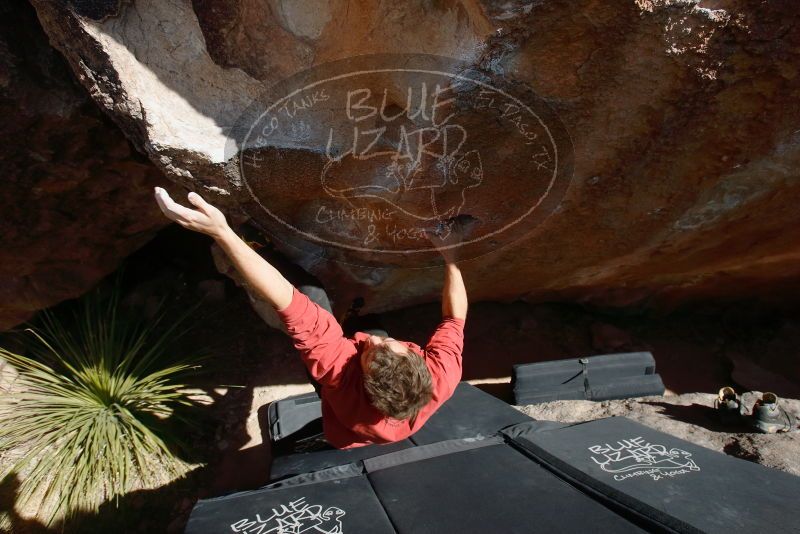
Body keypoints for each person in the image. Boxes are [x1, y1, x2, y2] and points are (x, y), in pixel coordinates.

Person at [153, 187, 468, 449]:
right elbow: (454, 318)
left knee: (311, 291)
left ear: (361, 377)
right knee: (368, 324)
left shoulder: (338, 374)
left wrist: (222, 232)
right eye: (388, 344)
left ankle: (257, 246)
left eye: (368, 352)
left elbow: (286, 300)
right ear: (418, 362)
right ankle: (350, 319)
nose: (372, 342)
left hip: (343, 422)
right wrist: (451, 256)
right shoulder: (442, 374)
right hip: (363, 425)